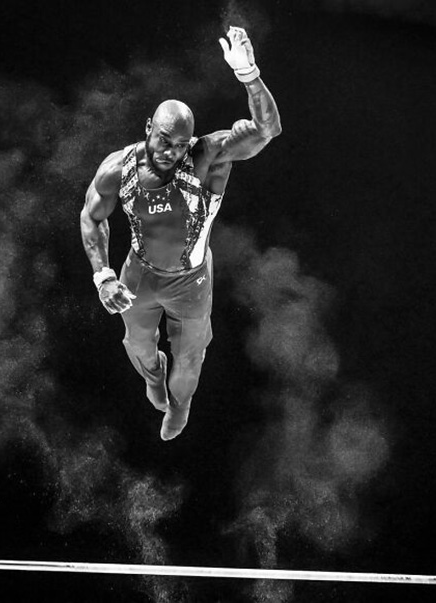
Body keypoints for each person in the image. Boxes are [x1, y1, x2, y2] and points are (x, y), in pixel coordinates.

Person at [80, 26, 282, 441]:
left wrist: (249, 75)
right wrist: (103, 275)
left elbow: (266, 130)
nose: (170, 152)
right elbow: (91, 216)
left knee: (189, 360)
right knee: (137, 345)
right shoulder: (119, 168)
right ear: (148, 127)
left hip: (191, 281)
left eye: (179, 144)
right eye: (163, 140)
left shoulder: (207, 156)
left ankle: (181, 405)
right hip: (140, 272)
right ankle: (153, 376)